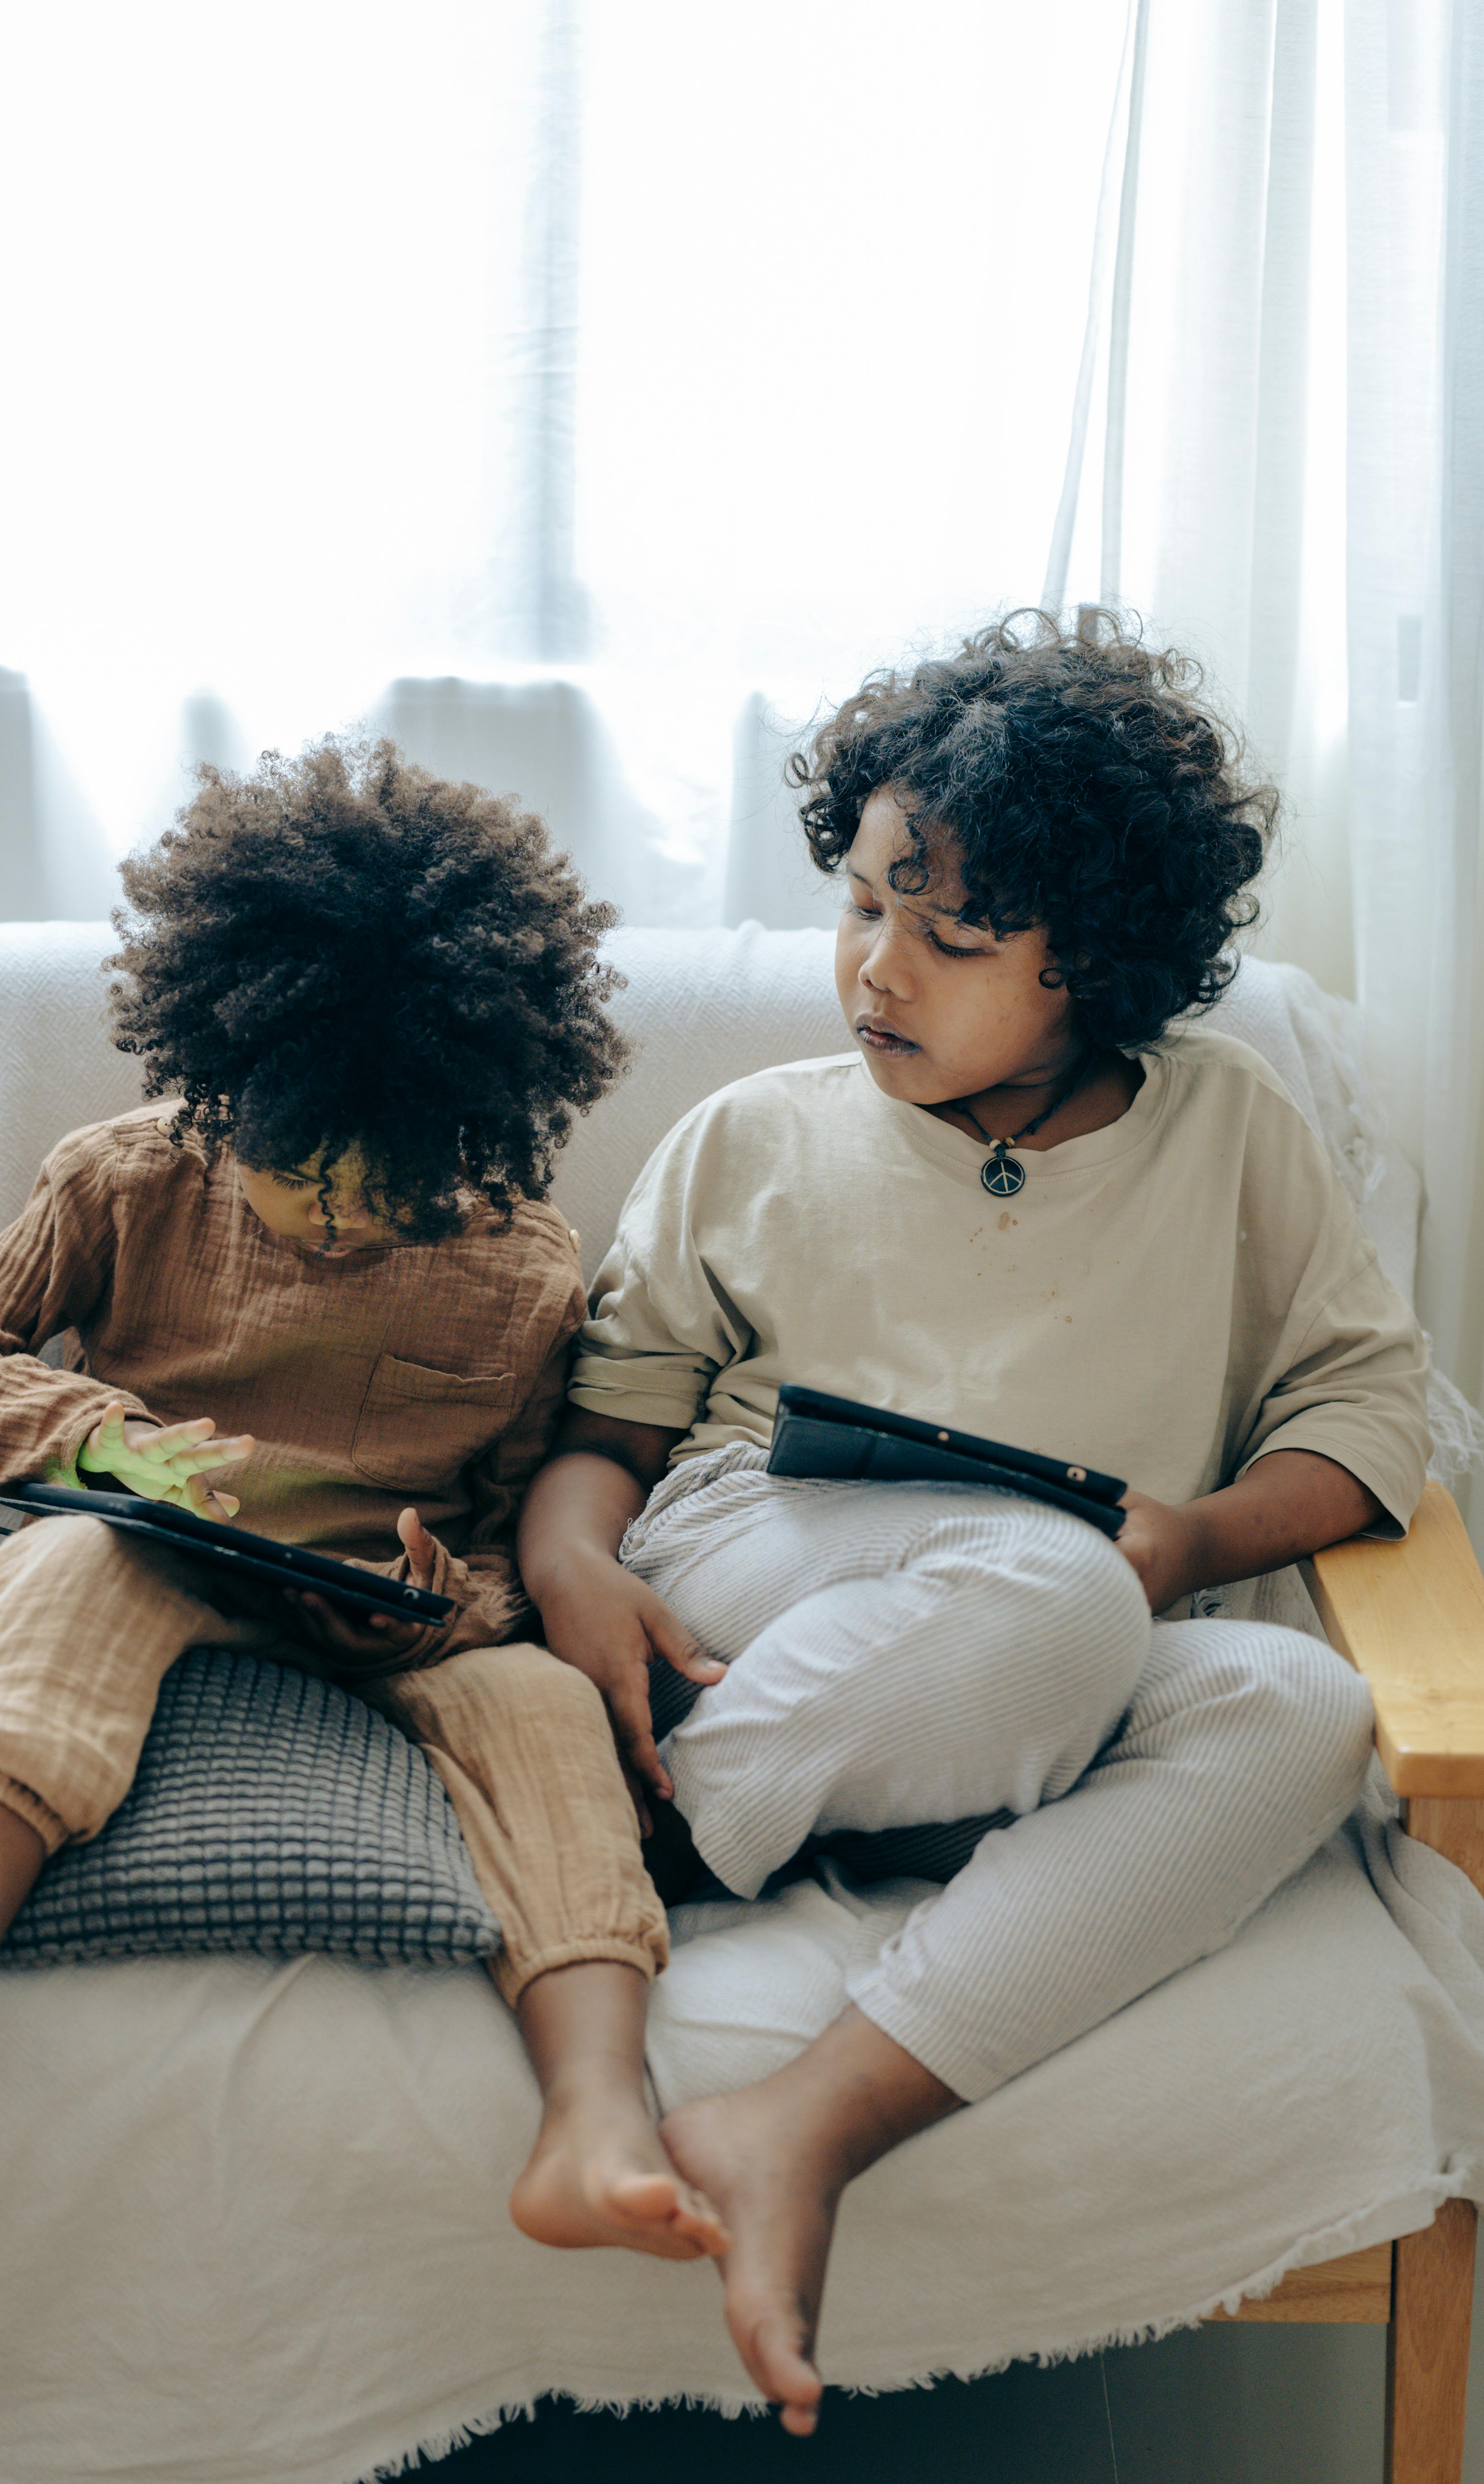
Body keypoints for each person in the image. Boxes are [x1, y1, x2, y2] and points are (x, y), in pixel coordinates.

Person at [515, 612, 1431, 2433]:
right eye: (863, 904)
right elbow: (602, 1433)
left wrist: (1193, 1544)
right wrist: (568, 1570)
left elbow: (1366, 1413)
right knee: (1053, 1589)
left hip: (1062, 1637)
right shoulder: (752, 1136)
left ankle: (809, 2117)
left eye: (950, 935)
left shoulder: (1230, 1132)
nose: (879, 969)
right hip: (755, 1575)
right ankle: (649, 1828)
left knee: (1298, 1711)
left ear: (1090, 964)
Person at [0, 735, 728, 2268]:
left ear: (468, 1132)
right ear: (226, 1077)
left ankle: (594, 2113)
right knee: (57, 1583)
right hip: (145, 1544)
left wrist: (441, 1599)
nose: (331, 1217)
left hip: (388, 1622)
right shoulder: (126, 1180)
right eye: (294, 1164)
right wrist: (96, 1442)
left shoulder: (523, 1274)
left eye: (385, 1185)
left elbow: (526, 1536)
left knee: (541, 1712)